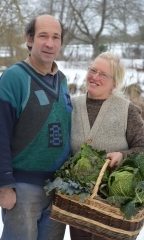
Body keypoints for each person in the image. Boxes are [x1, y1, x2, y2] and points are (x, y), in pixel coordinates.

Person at [0, 14, 72, 240]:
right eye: (43, 36)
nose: (50, 43)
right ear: (29, 39)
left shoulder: (61, 80)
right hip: (23, 189)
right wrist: (4, 185)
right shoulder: (15, 78)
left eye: (56, 37)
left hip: (57, 189)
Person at [70, 51, 144, 240]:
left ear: (115, 83)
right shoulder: (71, 106)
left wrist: (122, 155)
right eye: (93, 70)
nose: (95, 77)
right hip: (78, 205)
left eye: (103, 74)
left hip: (115, 211)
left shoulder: (127, 111)